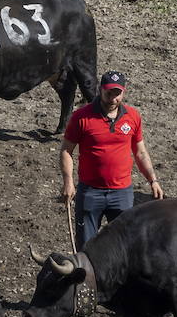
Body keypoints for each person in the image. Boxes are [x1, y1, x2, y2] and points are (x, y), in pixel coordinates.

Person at [59, 70, 164, 247]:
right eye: (109, 93)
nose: (113, 99)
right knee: (86, 246)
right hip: (90, 192)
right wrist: (68, 182)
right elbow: (66, 151)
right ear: (100, 90)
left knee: (125, 246)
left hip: (122, 192)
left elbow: (140, 152)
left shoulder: (133, 117)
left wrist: (152, 180)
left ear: (123, 92)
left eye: (117, 94)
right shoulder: (81, 117)